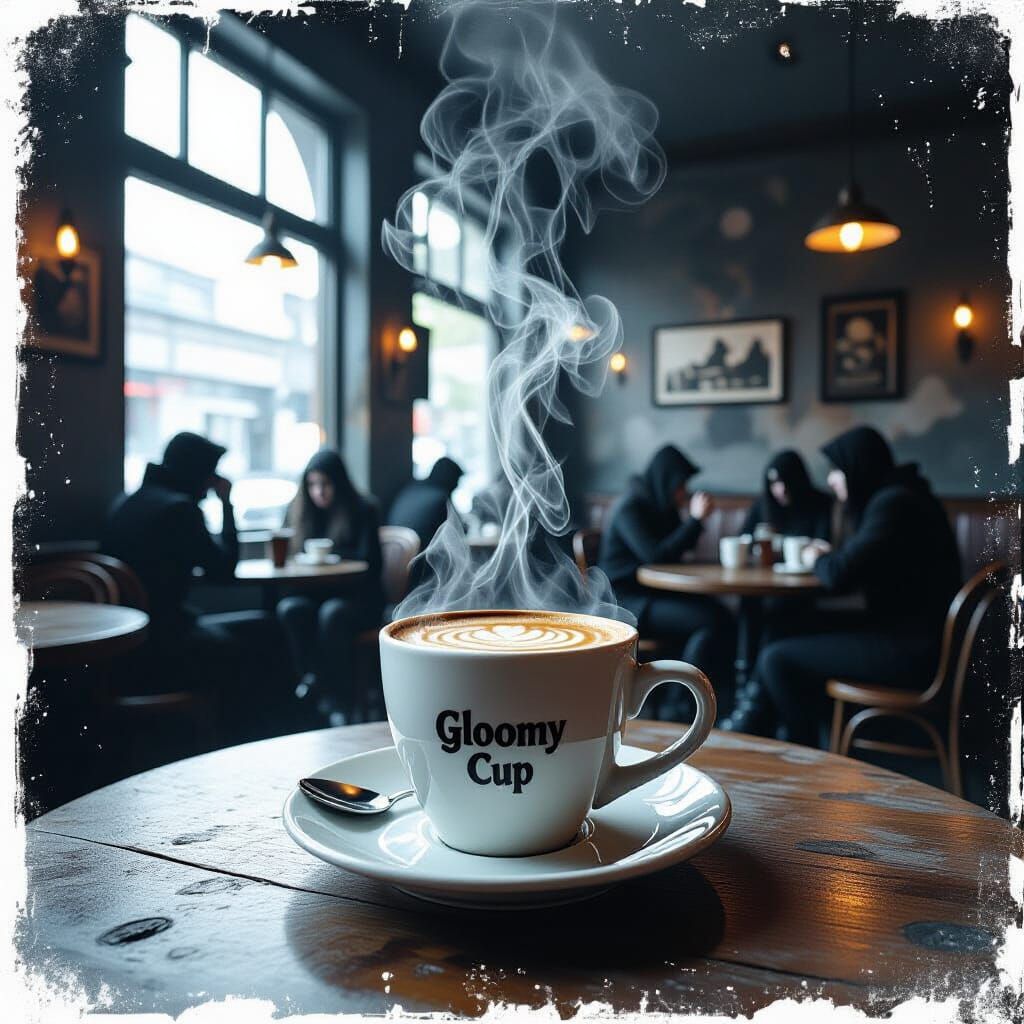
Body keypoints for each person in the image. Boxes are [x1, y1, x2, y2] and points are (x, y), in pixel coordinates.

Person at [732, 426, 961, 745]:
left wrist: (815, 557)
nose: (831, 480)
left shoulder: (894, 504)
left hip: (909, 649)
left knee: (776, 658)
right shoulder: (902, 495)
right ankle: (757, 725)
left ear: (858, 467)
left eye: (837, 470)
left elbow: (839, 574)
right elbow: (854, 565)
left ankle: (801, 750)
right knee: (780, 626)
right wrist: (831, 559)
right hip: (905, 632)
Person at [101, 432, 273, 728]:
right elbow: (223, 571)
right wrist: (227, 504)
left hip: (122, 648)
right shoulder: (179, 510)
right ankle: (248, 735)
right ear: (197, 472)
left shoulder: (127, 503)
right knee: (266, 632)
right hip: (163, 646)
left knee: (256, 626)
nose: (212, 482)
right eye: (210, 473)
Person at [598, 445, 736, 706]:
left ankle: (710, 699)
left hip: (654, 594)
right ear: (666, 480)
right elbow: (656, 555)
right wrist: (695, 521)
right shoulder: (631, 507)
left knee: (720, 615)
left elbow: (675, 551)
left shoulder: (661, 504)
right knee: (709, 621)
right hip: (627, 602)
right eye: (681, 485)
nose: (684, 492)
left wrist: (691, 521)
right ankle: (680, 705)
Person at [276, 450, 383, 721]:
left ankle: (339, 697)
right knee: (291, 608)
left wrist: (333, 559)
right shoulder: (301, 513)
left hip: (360, 597)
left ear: (339, 483)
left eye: (326, 484)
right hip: (317, 594)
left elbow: (371, 564)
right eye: (313, 485)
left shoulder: (363, 509)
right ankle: (312, 681)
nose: (319, 492)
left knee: (332, 613)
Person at [741, 449, 832, 540]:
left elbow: (823, 542)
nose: (781, 490)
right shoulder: (763, 503)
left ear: (798, 479)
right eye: (774, 483)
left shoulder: (821, 503)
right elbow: (744, 538)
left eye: (786, 481)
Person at [387, 456, 464, 549]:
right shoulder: (439, 497)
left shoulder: (413, 488)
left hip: (396, 552)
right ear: (450, 477)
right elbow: (458, 531)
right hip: (420, 555)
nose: (457, 485)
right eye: (457, 480)